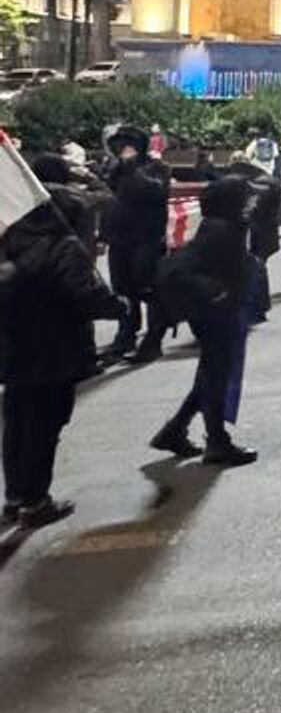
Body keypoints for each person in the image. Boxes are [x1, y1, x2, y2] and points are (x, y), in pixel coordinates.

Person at [2, 165, 125, 526]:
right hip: (54, 349)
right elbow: (85, 295)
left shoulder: (11, 242)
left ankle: (15, 495)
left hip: (14, 348)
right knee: (44, 425)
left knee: (17, 422)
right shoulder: (62, 246)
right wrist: (118, 307)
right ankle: (36, 502)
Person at [149, 176, 260, 466]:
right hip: (214, 314)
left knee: (212, 374)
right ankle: (216, 441)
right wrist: (215, 291)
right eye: (246, 197)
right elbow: (182, 271)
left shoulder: (225, 225)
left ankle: (176, 429)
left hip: (220, 311)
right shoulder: (220, 229)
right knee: (215, 376)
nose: (252, 202)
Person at [101, 126, 171, 362]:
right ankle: (126, 335)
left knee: (148, 287)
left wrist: (131, 167)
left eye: (127, 144)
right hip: (120, 237)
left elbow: (155, 191)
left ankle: (153, 339)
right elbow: (109, 196)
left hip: (147, 237)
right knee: (122, 288)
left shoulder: (157, 168)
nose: (122, 149)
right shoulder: (116, 169)